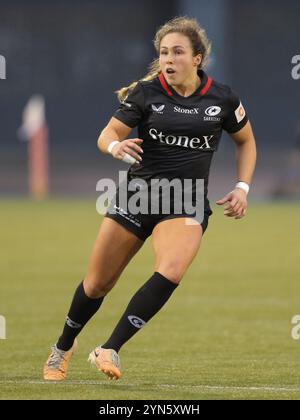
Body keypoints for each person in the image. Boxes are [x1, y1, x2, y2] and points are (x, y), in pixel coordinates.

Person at [43, 16, 257, 381]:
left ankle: (110, 348)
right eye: (163, 52)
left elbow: (246, 142)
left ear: (197, 59)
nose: (169, 59)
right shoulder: (146, 93)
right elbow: (107, 133)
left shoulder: (223, 98)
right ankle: (62, 348)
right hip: (138, 197)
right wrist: (114, 145)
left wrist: (242, 187)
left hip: (185, 201)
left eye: (177, 52)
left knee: (171, 271)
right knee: (97, 284)